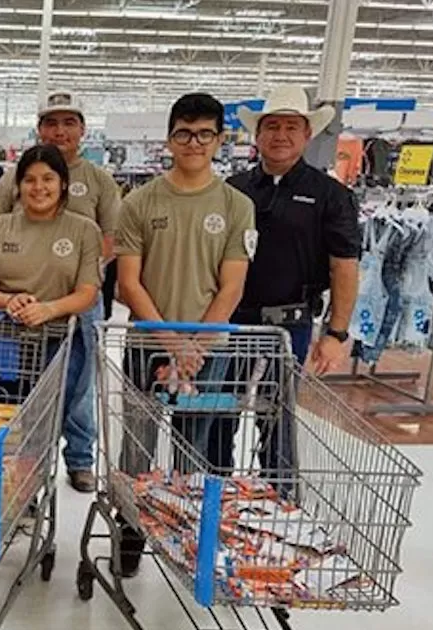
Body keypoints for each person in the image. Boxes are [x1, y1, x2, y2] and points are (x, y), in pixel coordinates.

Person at [114, 93, 256, 576]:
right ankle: (131, 528)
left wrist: (196, 345)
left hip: (210, 350)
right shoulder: (139, 202)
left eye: (204, 134)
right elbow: (129, 282)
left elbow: (232, 285)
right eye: (184, 133)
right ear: (169, 138)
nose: (193, 143)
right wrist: (173, 343)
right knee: (136, 444)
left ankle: (187, 532)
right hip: (146, 345)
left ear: (219, 139)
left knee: (194, 447)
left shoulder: (236, 206)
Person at [210, 85, 362, 472]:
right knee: (218, 413)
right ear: (258, 134)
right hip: (231, 320)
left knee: (278, 418)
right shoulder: (233, 190)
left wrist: (336, 333)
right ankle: (215, 491)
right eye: (272, 126)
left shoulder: (331, 196)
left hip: (290, 324)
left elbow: (344, 266)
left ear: (307, 135)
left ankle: (277, 494)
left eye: (291, 127)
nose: (281, 135)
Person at [0, 91, 120, 492]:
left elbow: (110, 239)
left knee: (78, 389)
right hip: (19, 304)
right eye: (51, 123)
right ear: (39, 129)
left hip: (79, 301)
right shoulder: (15, 176)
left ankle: (79, 459)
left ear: (82, 129)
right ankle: (28, 462)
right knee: (24, 385)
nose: (60, 131)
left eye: (68, 122)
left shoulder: (99, 180)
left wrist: (80, 279)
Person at [0, 144, 103, 490]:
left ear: (63, 183)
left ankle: (58, 472)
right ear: (18, 185)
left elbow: (87, 293)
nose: (39, 187)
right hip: (5, 342)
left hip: (62, 339)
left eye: (48, 178)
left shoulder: (84, 230)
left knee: (58, 411)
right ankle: (19, 487)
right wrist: (9, 300)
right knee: (11, 416)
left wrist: (49, 309)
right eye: (29, 179)